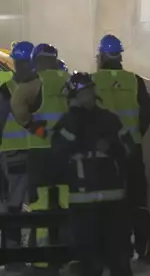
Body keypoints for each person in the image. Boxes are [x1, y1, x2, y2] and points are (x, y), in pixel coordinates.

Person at [48, 72, 134, 276]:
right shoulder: (68, 122)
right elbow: (58, 154)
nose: (87, 96)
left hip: (111, 199)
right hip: (83, 200)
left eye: (89, 92)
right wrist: (75, 124)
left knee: (118, 257)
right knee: (88, 258)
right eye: (83, 93)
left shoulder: (109, 119)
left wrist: (111, 146)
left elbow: (128, 150)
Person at [92, 34, 150, 264]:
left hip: (103, 153)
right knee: (137, 200)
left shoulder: (92, 82)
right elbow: (149, 108)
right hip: (132, 149)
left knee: (107, 202)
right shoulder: (134, 81)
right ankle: (144, 250)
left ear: (100, 56)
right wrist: (137, 132)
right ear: (119, 56)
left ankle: (113, 249)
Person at [10, 43, 70, 273]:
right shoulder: (68, 80)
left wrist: (36, 129)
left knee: (41, 205)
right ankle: (69, 254)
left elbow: (18, 107)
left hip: (39, 151)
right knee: (66, 201)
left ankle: (43, 260)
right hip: (65, 152)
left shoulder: (33, 84)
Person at [0, 41, 36, 251]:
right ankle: (40, 252)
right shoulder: (41, 87)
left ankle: (13, 252)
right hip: (39, 151)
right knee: (40, 204)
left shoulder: (8, 89)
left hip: (12, 153)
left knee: (12, 204)